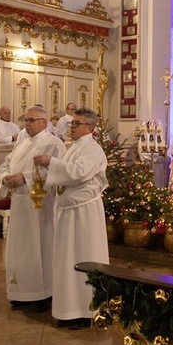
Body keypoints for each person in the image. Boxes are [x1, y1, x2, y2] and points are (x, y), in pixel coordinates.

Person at [34, 108, 108, 330]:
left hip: (84, 214)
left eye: (77, 124)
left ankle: (86, 310)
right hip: (69, 212)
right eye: (72, 123)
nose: (72, 127)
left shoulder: (93, 149)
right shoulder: (74, 147)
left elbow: (78, 172)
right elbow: (65, 172)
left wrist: (51, 163)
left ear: (90, 128)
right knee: (67, 261)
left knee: (84, 257)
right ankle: (68, 308)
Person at [0, 106, 66, 311]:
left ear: (44, 122)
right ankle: (21, 292)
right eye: (25, 120)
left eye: (30, 120)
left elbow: (57, 171)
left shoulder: (54, 143)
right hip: (19, 202)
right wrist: (5, 177)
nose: (26, 124)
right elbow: (7, 162)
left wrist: (25, 178)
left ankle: (43, 293)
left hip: (39, 203)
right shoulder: (22, 140)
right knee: (20, 249)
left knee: (39, 246)